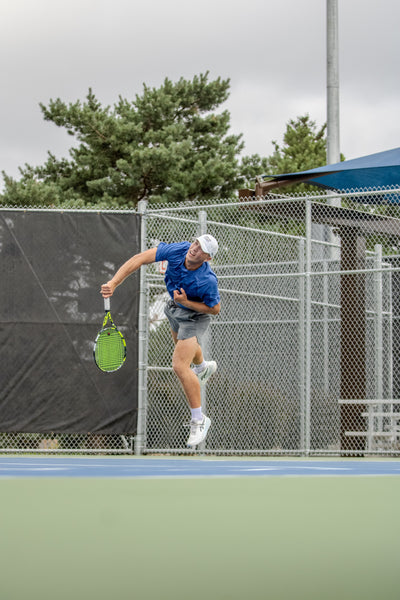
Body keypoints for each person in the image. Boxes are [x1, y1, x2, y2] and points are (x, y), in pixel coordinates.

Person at [100, 234, 220, 448]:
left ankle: (199, 419)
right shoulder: (178, 250)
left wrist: (187, 302)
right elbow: (139, 258)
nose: (195, 249)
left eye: (202, 249)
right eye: (196, 243)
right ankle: (202, 367)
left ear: (207, 258)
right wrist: (114, 282)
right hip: (174, 308)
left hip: (194, 315)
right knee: (185, 351)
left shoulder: (207, 280)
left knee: (179, 366)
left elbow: (215, 309)